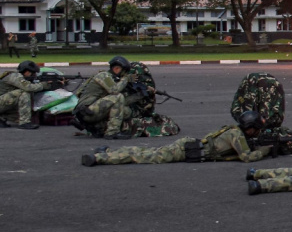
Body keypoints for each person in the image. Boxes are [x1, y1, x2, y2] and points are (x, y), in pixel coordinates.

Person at [81, 110, 271, 166]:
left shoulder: (233, 130)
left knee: (146, 152)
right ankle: (100, 158)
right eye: (256, 129)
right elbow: (246, 157)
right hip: (186, 151)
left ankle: (108, 152)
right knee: (144, 157)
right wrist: (265, 150)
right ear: (250, 128)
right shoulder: (236, 135)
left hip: (189, 146)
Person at [72, 56, 133, 139]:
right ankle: (112, 132)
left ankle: (101, 128)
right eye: (124, 72)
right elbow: (115, 91)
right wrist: (125, 79)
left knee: (126, 111)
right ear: (117, 68)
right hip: (87, 111)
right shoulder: (104, 75)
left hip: (90, 111)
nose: (124, 74)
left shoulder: (110, 79)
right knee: (118, 97)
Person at [0, 60, 58, 129]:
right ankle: (24, 123)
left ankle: (2, 118)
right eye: (33, 73)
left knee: (28, 107)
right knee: (23, 93)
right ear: (27, 72)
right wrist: (43, 85)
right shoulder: (14, 76)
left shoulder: (21, 78)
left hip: (3, 103)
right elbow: (28, 87)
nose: (34, 75)